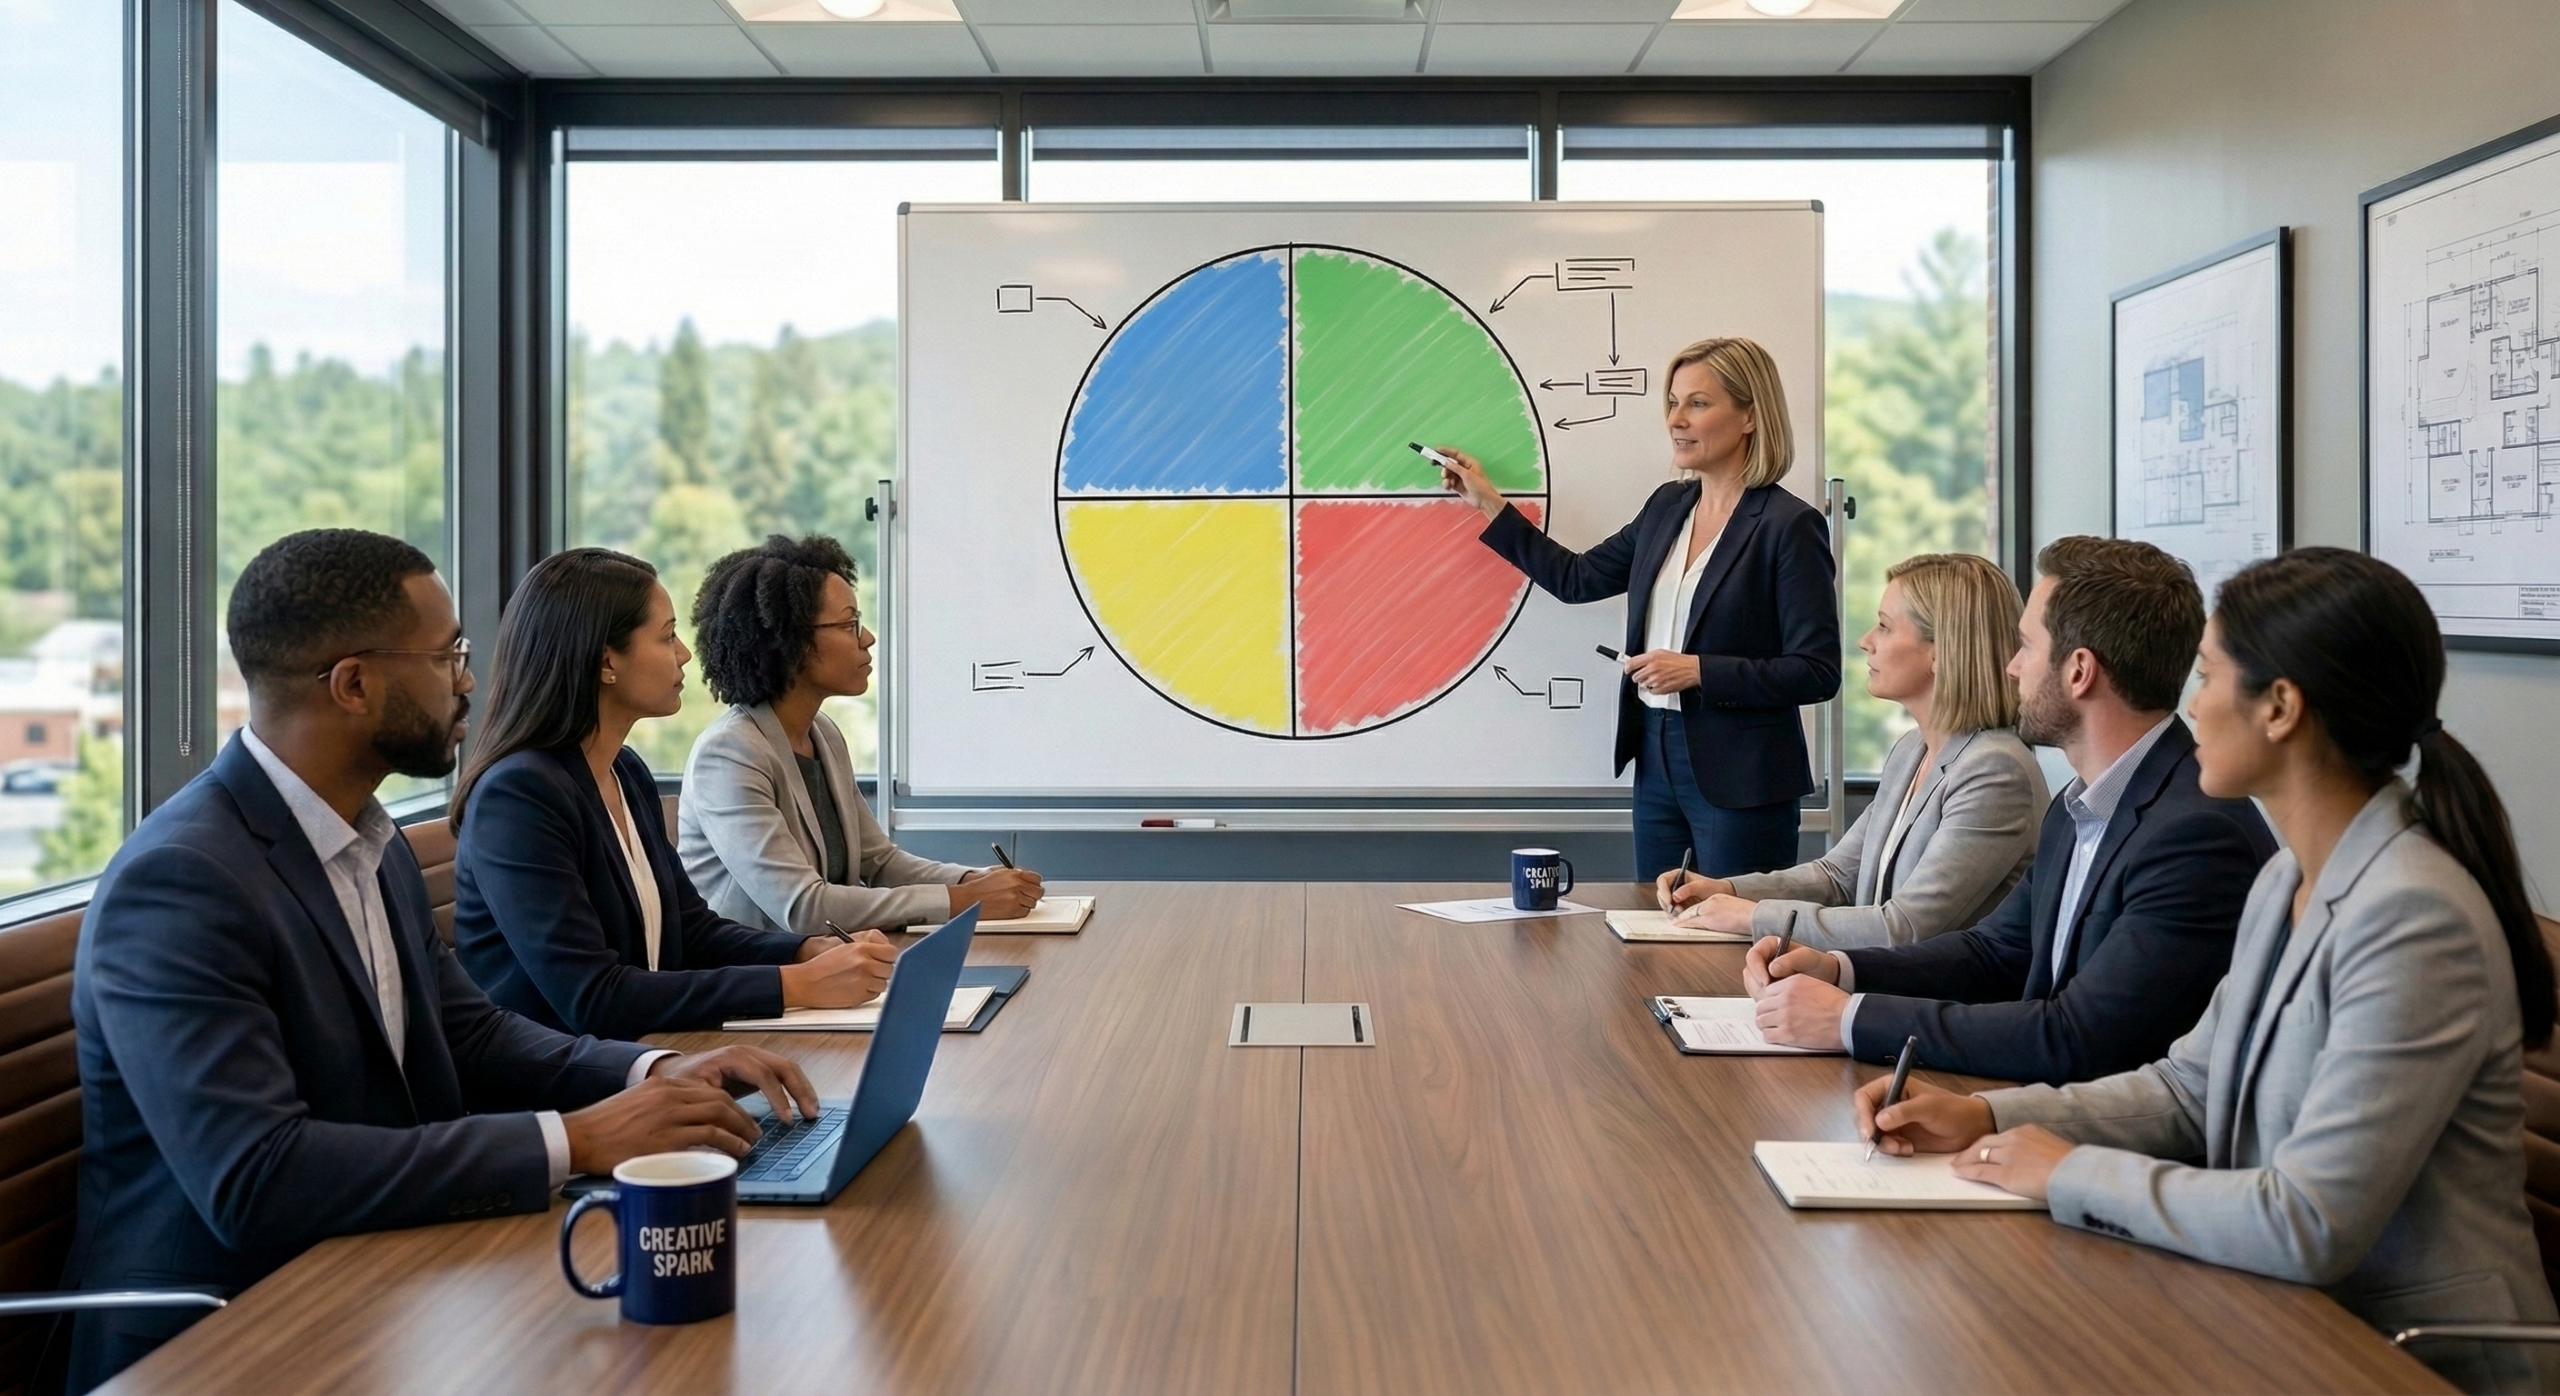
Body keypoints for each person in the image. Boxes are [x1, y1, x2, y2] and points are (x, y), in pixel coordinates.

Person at [60, 530, 820, 1393]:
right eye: (448, 654)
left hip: (379, 1273)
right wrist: (576, 1138)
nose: (468, 678)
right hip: (223, 1334)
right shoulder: (183, 883)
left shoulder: (367, 843)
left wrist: (655, 1071)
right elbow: (257, 1179)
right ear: (353, 684)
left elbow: (472, 1034)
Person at [1859, 548, 2559, 1395]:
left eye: (2208, 675)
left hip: (2403, 1355)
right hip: (2282, 1315)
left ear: (2281, 709)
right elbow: (2188, 1089)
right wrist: (1981, 1115)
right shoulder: (2286, 879)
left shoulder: (2414, 916)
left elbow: (2308, 1222)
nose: (2190, 704)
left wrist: (2066, 1169)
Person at [1746, 536, 2277, 1084]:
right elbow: (1996, 952)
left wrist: (1851, 1018)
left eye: (2026, 646)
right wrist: (1840, 969)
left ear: (2078, 672)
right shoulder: (2083, 804)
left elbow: (2077, 1038)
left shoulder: (2195, 835)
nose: (2012, 666)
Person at [450, 548, 898, 1038]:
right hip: (568, 1089)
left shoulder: (623, 769)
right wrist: (795, 984)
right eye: (666, 636)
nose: (684, 653)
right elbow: (593, 998)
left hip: (645, 1056)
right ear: (605, 661)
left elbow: (692, 931)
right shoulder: (518, 798)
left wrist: (801, 951)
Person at [1439, 336, 1839, 879]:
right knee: (1652, 932)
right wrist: (1488, 501)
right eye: (1672, 402)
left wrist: (1697, 670)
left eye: (1698, 403)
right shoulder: (1667, 507)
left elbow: (1816, 672)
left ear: (1750, 415)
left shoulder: (1789, 526)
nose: (1676, 419)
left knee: (1728, 944)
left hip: (1742, 778)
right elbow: (1577, 578)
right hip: (1655, 758)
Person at [1655, 552, 2046, 949]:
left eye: (1884, 627)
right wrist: (1727, 890)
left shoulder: (1996, 771)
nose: (1866, 641)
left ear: (1942, 651)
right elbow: (1838, 875)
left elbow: (1905, 928)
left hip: (1938, 1004)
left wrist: (1753, 916)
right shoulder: (1913, 750)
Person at [679, 534, 1043, 934]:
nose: (866, 638)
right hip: (760, 980)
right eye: (850, 623)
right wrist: (961, 901)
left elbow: (879, 863)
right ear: (792, 641)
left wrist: (970, 880)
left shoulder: (823, 734)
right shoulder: (729, 754)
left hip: (830, 967)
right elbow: (803, 906)